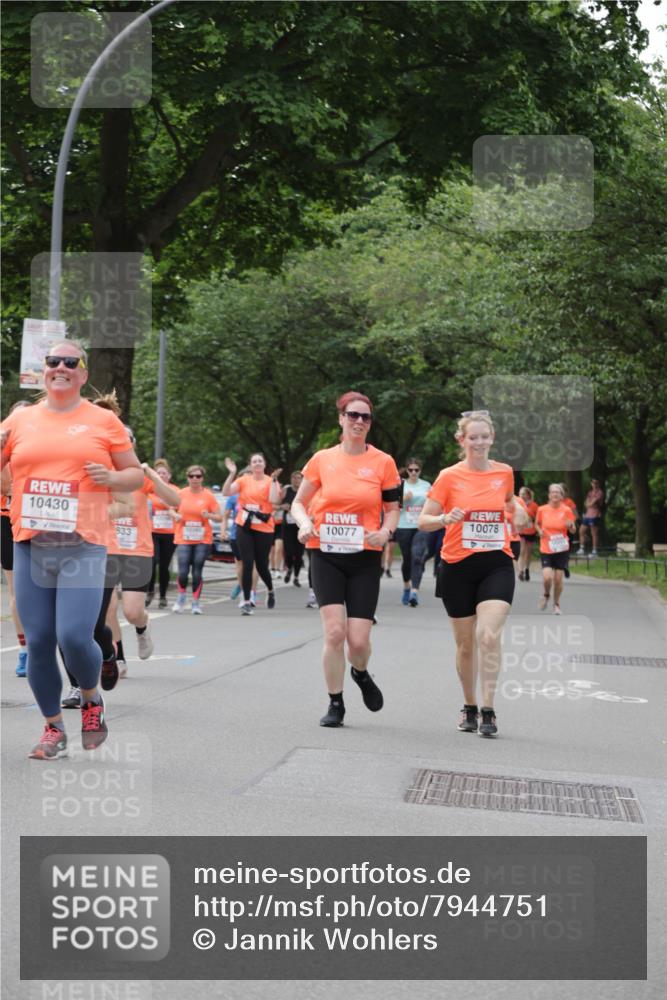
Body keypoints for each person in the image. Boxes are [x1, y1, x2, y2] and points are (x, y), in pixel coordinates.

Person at [0, 341, 143, 758]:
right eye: (52, 361)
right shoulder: (20, 419)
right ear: (44, 371)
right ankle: (53, 729)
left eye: (70, 362)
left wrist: (111, 478)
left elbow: (135, 475)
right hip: (31, 543)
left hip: (83, 545)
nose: (60, 367)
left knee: (75, 637)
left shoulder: (103, 421)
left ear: (82, 374)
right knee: (39, 641)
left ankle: (91, 699)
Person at [291, 391, 401, 727]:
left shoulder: (383, 462)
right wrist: (305, 523)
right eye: (353, 415)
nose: (359, 421)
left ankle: (361, 673)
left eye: (365, 417)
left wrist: (385, 532)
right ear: (341, 418)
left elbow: (392, 509)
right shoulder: (322, 459)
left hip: (364, 556)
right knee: (335, 632)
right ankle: (335, 702)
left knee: (359, 641)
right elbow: (298, 503)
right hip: (325, 553)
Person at [418, 411, 516, 739]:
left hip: (496, 563)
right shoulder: (448, 476)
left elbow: (510, 503)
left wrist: (518, 512)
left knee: (488, 635)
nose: (479, 442)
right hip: (457, 566)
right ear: (462, 440)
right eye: (472, 437)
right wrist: (445, 518)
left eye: (484, 437)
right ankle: (469, 705)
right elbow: (423, 520)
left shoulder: (504, 473)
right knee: (465, 644)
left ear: (492, 438)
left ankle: (488, 709)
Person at [222, 453, 282, 616]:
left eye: (260, 461)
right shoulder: (244, 480)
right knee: (247, 563)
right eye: (254, 461)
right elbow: (226, 492)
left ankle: (270, 590)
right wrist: (232, 473)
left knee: (261, 565)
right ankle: (247, 601)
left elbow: (274, 500)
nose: (257, 463)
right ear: (250, 465)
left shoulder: (270, 481)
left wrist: (274, 481)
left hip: (264, 527)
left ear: (264, 464)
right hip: (244, 525)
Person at [1, 401, 32, 676]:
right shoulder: (5, 447)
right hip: (8, 519)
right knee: (18, 591)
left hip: (40, 521)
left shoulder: (40, 446)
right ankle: (25, 649)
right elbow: (5, 485)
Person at [172, 465, 221, 614]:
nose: (195, 479)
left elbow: (219, 517)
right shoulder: (181, 494)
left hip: (202, 539)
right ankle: (181, 597)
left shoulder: (208, 496)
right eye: (191, 476)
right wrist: (176, 515)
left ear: (202, 478)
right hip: (184, 537)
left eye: (198, 476)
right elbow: (170, 509)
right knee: (182, 571)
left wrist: (209, 515)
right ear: (187, 478)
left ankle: (195, 602)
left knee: (197, 570)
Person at [535, 483, 577, 614]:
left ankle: (556, 604)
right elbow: (537, 524)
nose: (555, 494)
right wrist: (539, 531)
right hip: (546, 548)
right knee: (547, 577)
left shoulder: (567, 510)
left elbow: (573, 530)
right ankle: (546, 594)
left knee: (558, 579)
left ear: (561, 496)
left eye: (557, 492)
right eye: (552, 492)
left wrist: (571, 527)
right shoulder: (542, 509)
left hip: (561, 549)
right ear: (549, 495)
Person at [395, 458, 431, 607]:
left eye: (417, 470)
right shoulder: (401, 485)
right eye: (411, 470)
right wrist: (403, 498)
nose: (414, 472)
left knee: (417, 557)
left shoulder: (426, 485)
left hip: (421, 526)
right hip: (403, 526)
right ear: (407, 470)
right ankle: (406, 587)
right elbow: (392, 506)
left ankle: (414, 592)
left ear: (420, 471)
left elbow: (432, 503)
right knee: (407, 559)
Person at [145, 458, 178, 608]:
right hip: (152, 531)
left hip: (169, 533)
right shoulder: (149, 489)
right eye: (159, 473)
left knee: (164, 566)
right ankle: (150, 590)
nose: (162, 475)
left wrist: (170, 507)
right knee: (152, 562)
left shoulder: (174, 490)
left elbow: (180, 507)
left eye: (164, 473)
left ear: (169, 476)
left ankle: (163, 596)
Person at [281, 471, 305, 586]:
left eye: (298, 478)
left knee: (299, 554)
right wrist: (282, 506)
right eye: (294, 478)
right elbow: (275, 504)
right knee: (289, 552)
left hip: (301, 526)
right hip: (288, 527)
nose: (296, 480)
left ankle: (296, 577)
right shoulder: (286, 491)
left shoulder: (304, 492)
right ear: (291, 479)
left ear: (302, 480)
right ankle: (289, 568)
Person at [517, 486, 538, 581]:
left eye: (523, 494)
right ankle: (520, 571)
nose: (522, 495)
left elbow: (538, 519)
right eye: (520, 494)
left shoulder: (534, 505)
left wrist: (532, 519)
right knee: (521, 551)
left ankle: (527, 569)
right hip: (520, 530)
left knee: (528, 553)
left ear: (528, 495)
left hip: (531, 531)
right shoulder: (517, 504)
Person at [579, 478, 605, 556]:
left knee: (594, 533)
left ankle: (594, 551)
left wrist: (590, 503)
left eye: (596, 483)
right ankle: (582, 548)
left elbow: (592, 503)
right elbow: (586, 503)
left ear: (598, 484)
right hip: (588, 514)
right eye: (593, 483)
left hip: (595, 514)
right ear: (591, 483)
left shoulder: (600, 492)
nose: (594, 484)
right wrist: (589, 503)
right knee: (581, 530)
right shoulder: (590, 492)